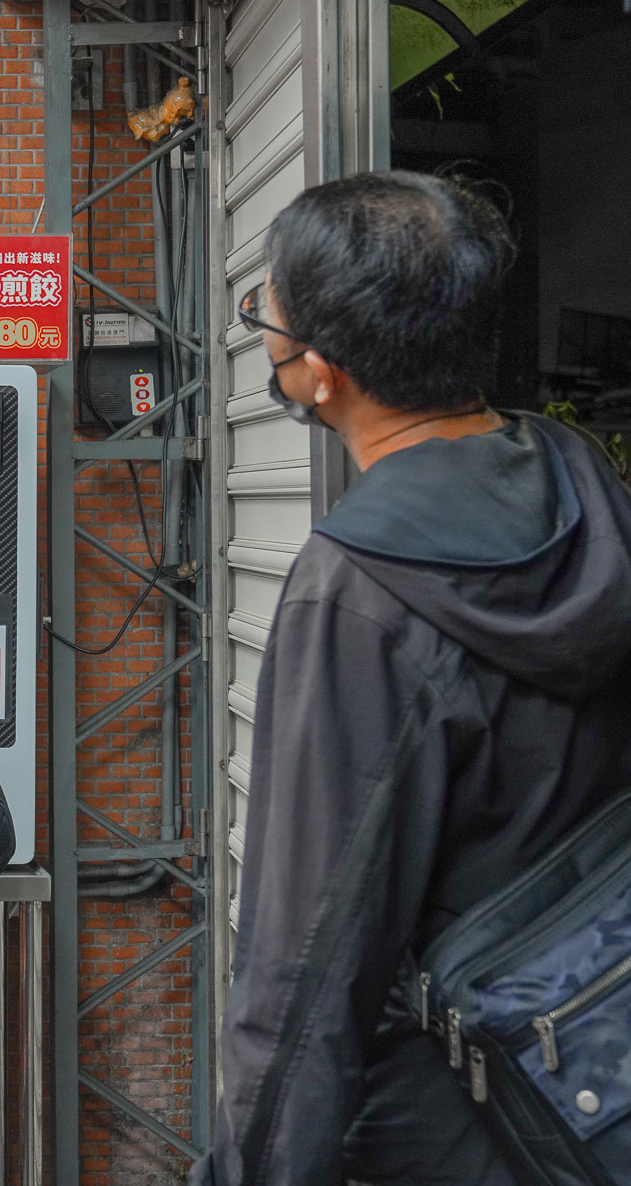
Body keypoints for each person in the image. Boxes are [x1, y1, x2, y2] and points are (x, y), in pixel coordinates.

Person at [193, 171, 631, 1185]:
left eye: (267, 310)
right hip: (595, 1077)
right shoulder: (581, 480)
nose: (260, 327)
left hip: (454, 1109)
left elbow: (304, 962)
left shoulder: (354, 591)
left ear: (320, 370)